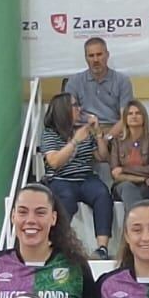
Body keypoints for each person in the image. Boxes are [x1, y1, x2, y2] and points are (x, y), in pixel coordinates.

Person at [37, 92, 113, 258]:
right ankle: (58, 245)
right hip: (60, 178)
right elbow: (54, 162)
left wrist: (98, 134)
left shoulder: (83, 131)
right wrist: (75, 141)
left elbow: (102, 157)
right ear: (63, 110)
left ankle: (102, 248)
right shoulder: (50, 134)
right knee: (67, 198)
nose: (79, 109)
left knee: (102, 194)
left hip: (86, 177)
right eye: (75, 106)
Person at [99, 100, 149, 205]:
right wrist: (142, 178)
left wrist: (124, 169)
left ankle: (133, 220)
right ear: (125, 118)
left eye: (138, 113)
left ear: (144, 117)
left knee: (142, 191)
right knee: (128, 188)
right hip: (123, 185)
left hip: (148, 185)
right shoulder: (117, 142)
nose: (134, 116)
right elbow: (115, 174)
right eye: (130, 114)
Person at [64, 36, 134, 133]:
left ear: (107, 55)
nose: (95, 60)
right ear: (86, 58)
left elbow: (125, 118)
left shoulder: (122, 81)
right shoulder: (74, 82)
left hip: (114, 131)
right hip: (84, 130)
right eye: (91, 56)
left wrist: (107, 138)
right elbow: (68, 115)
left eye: (99, 54)